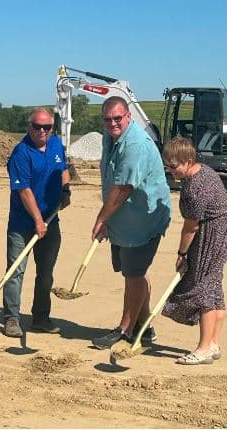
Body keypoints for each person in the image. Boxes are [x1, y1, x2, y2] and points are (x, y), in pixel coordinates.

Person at [91, 96, 171, 349]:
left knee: (133, 275)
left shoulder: (135, 144)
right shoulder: (111, 136)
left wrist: (102, 218)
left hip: (143, 220)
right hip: (125, 220)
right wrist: (109, 218)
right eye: (107, 119)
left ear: (128, 116)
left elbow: (124, 187)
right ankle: (144, 327)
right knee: (135, 273)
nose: (112, 123)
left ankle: (125, 329)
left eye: (117, 118)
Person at [161, 137, 227, 365]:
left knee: (202, 290)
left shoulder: (196, 186)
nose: (170, 171)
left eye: (173, 166)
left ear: (188, 161)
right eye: (167, 165)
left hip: (211, 238)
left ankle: (203, 349)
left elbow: (191, 226)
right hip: (222, 234)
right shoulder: (203, 172)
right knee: (214, 287)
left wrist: (182, 253)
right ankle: (213, 344)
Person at [2, 107, 71, 337]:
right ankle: (11, 317)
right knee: (16, 270)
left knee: (46, 273)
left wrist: (66, 191)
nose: (42, 131)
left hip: (51, 220)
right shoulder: (20, 153)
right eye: (37, 126)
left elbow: (63, 170)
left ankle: (41, 318)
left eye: (47, 127)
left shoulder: (55, 144)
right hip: (23, 224)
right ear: (29, 127)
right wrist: (38, 221)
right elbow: (23, 190)